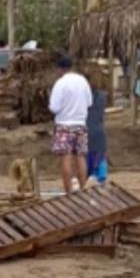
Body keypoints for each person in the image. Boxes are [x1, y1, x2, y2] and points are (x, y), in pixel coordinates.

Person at [47, 56, 93, 194]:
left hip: (64, 125)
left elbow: (54, 107)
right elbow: (89, 102)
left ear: (60, 69)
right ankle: (83, 189)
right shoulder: (83, 81)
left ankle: (68, 192)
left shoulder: (60, 83)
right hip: (80, 124)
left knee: (66, 157)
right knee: (81, 157)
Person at [86, 82, 110, 184]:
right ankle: (101, 177)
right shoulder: (103, 96)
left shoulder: (82, 98)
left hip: (86, 129)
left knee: (87, 158)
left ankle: (91, 176)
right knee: (100, 156)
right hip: (99, 130)